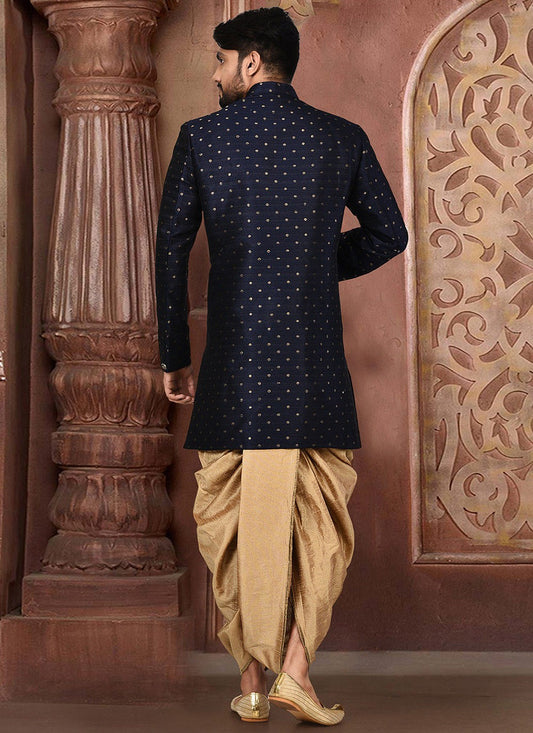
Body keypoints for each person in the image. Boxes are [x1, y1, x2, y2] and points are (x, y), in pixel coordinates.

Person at [155, 6, 408, 725]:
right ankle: (296, 670)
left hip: (233, 364)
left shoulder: (202, 138)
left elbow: (170, 250)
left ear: (251, 62)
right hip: (311, 362)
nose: (213, 74)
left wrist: (174, 354)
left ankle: (251, 683)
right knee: (314, 519)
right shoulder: (341, 136)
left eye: (220, 61)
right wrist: (315, 264)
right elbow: (390, 233)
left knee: (235, 518)